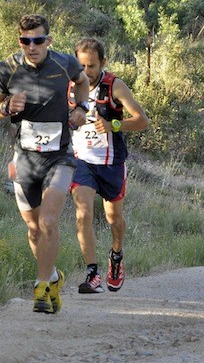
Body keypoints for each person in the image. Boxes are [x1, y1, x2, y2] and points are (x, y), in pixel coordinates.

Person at [0, 14, 90, 313]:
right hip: (25, 159)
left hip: (60, 157)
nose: (32, 46)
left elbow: (82, 83)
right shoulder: (7, 68)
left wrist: (81, 107)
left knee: (48, 221)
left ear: (49, 40)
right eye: (25, 41)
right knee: (33, 229)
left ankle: (42, 287)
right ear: (20, 41)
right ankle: (53, 275)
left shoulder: (64, 63)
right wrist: (6, 106)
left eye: (38, 40)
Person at [70, 37, 149, 293]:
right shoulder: (69, 87)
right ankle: (92, 274)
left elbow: (142, 121)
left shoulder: (114, 86)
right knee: (83, 214)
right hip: (83, 161)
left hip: (111, 162)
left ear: (102, 62)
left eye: (91, 66)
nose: (86, 71)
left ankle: (116, 256)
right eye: (81, 65)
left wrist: (114, 124)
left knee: (113, 219)